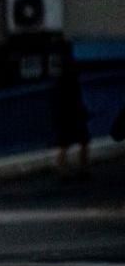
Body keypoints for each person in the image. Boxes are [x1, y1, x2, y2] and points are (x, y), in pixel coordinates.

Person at [53, 46, 90, 180]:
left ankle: (63, 170)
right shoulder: (72, 82)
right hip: (73, 115)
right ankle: (82, 169)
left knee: (64, 144)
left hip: (64, 115)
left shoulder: (60, 82)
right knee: (83, 141)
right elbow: (76, 99)